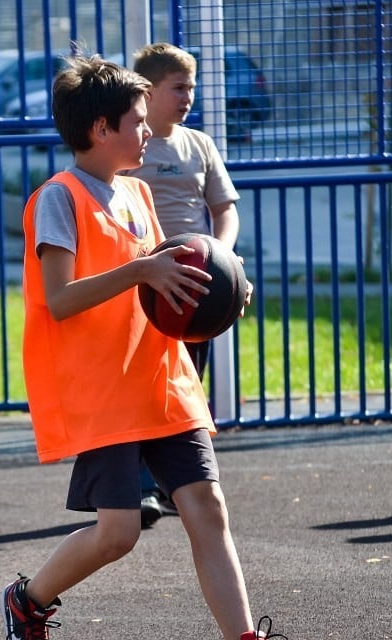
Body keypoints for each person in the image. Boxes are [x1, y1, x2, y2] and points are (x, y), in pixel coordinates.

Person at [2, 52, 284, 640]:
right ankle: (28, 601)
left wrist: (220, 285)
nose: (148, 129)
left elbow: (162, 285)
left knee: (207, 507)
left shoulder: (136, 194)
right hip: (104, 388)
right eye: (136, 120)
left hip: (160, 376)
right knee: (118, 534)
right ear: (101, 129)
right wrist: (142, 272)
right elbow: (60, 299)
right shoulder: (59, 199)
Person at [122, 42, 242, 528]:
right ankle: (142, 486)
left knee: (186, 383)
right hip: (146, 283)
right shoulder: (132, 147)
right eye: (179, 87)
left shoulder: (200, 144)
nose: (189, 96)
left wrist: (224, 258)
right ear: (148, 92)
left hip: (196, 285)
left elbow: (224, 209)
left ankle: (178, 483)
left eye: (192, 87)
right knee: (140, 386)